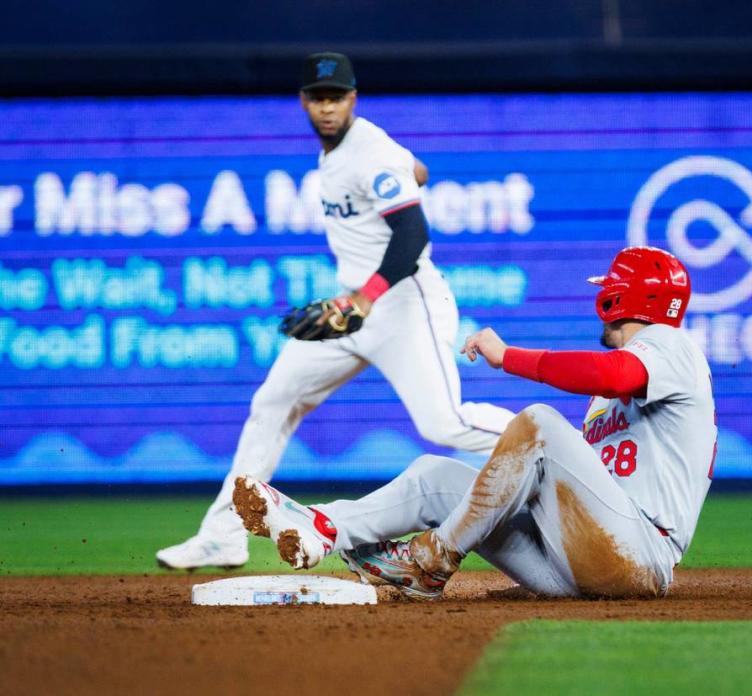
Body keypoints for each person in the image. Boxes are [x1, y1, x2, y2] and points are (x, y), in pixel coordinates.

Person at [157, 52, 515, 570]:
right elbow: (418, 170)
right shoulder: (347, 151)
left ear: (353, 98)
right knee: (274, 401)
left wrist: (362, 299)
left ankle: (560, 451)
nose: (327, 108)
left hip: (403, 304)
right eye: (318, 98)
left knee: (445, 424)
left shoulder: (367, 150)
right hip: (352, 311)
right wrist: (408, 171)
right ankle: (224, 534)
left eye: (337, 97)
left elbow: (413, 234)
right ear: (304, 101)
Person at [232, 246, 718, 599]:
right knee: (437, 476)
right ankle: (324, 527)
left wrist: (508, 357)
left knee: (540, 424)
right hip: (579, 557)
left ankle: (432, 559)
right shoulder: (634, 376)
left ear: (620, 297)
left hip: (638, 555)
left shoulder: (672, 347)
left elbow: (614, 374)